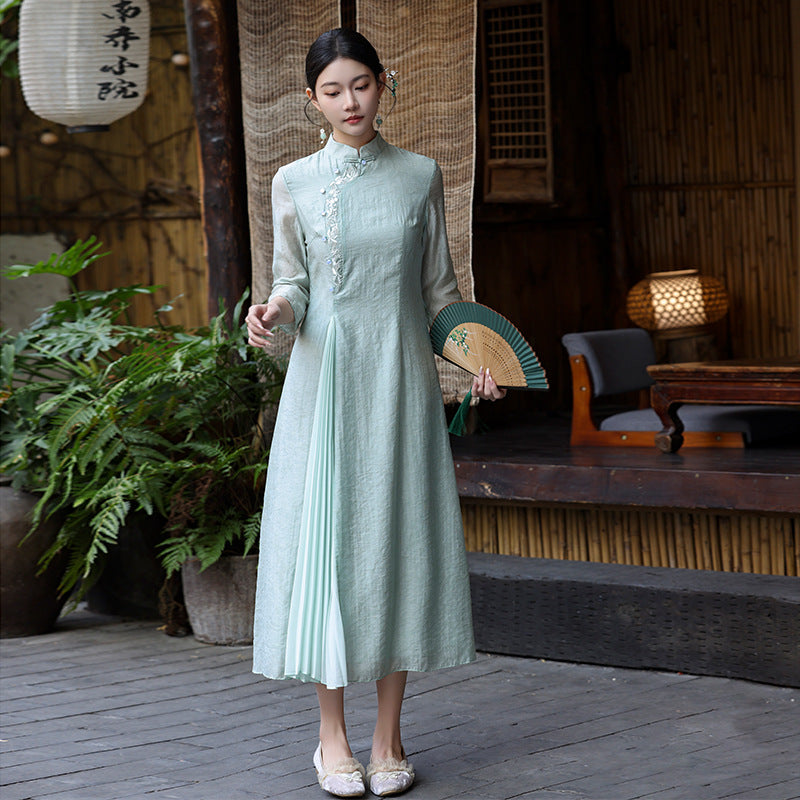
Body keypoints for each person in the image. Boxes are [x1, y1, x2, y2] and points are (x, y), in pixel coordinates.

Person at [246, 28, 505, 798]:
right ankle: (332, 740)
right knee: (328, 549)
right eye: (332, 90)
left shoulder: (421, 176)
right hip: (324, 390)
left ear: (384, 84)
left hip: (400, 389)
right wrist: (271, 316)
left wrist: (476, 363)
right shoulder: (292, 180)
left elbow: (440, 298)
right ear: (310, 101)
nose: (349, 101)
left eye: (360, 84)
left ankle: (388, 737)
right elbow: (291, 286)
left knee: (394, 548)